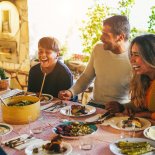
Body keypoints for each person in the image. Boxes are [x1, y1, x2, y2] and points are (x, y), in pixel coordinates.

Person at [58, 15, 132, 112]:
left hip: (119, 110)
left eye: (106, 35)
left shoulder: (134, 57)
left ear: (120, 37)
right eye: (102, 33)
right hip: (94, 105)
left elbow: (140, 98)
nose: (101, 38)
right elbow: (87, 77)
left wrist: (123, 107)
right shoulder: (98, 49)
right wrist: (71, 92)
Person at [124, 34, 155, 120]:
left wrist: (148, 115)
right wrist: (122, 107)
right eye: (131, 54)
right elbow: (139, 105)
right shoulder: (142, 78)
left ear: (151, 56)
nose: (131, 60)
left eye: (136, 55)